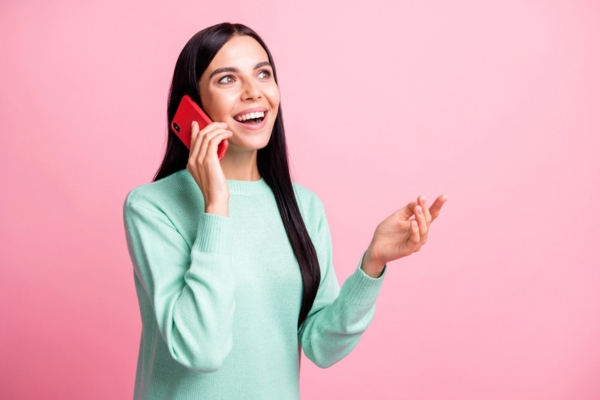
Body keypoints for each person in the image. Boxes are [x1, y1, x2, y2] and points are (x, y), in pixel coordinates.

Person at [123, 22, 446, 400]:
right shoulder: (152, 207)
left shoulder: (304, 207)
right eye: (227, 79)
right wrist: (216, 206)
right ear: (192, 104)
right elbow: (202, 349)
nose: (253, 92)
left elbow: (321, 347)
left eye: (263, 74)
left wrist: (372, 264)